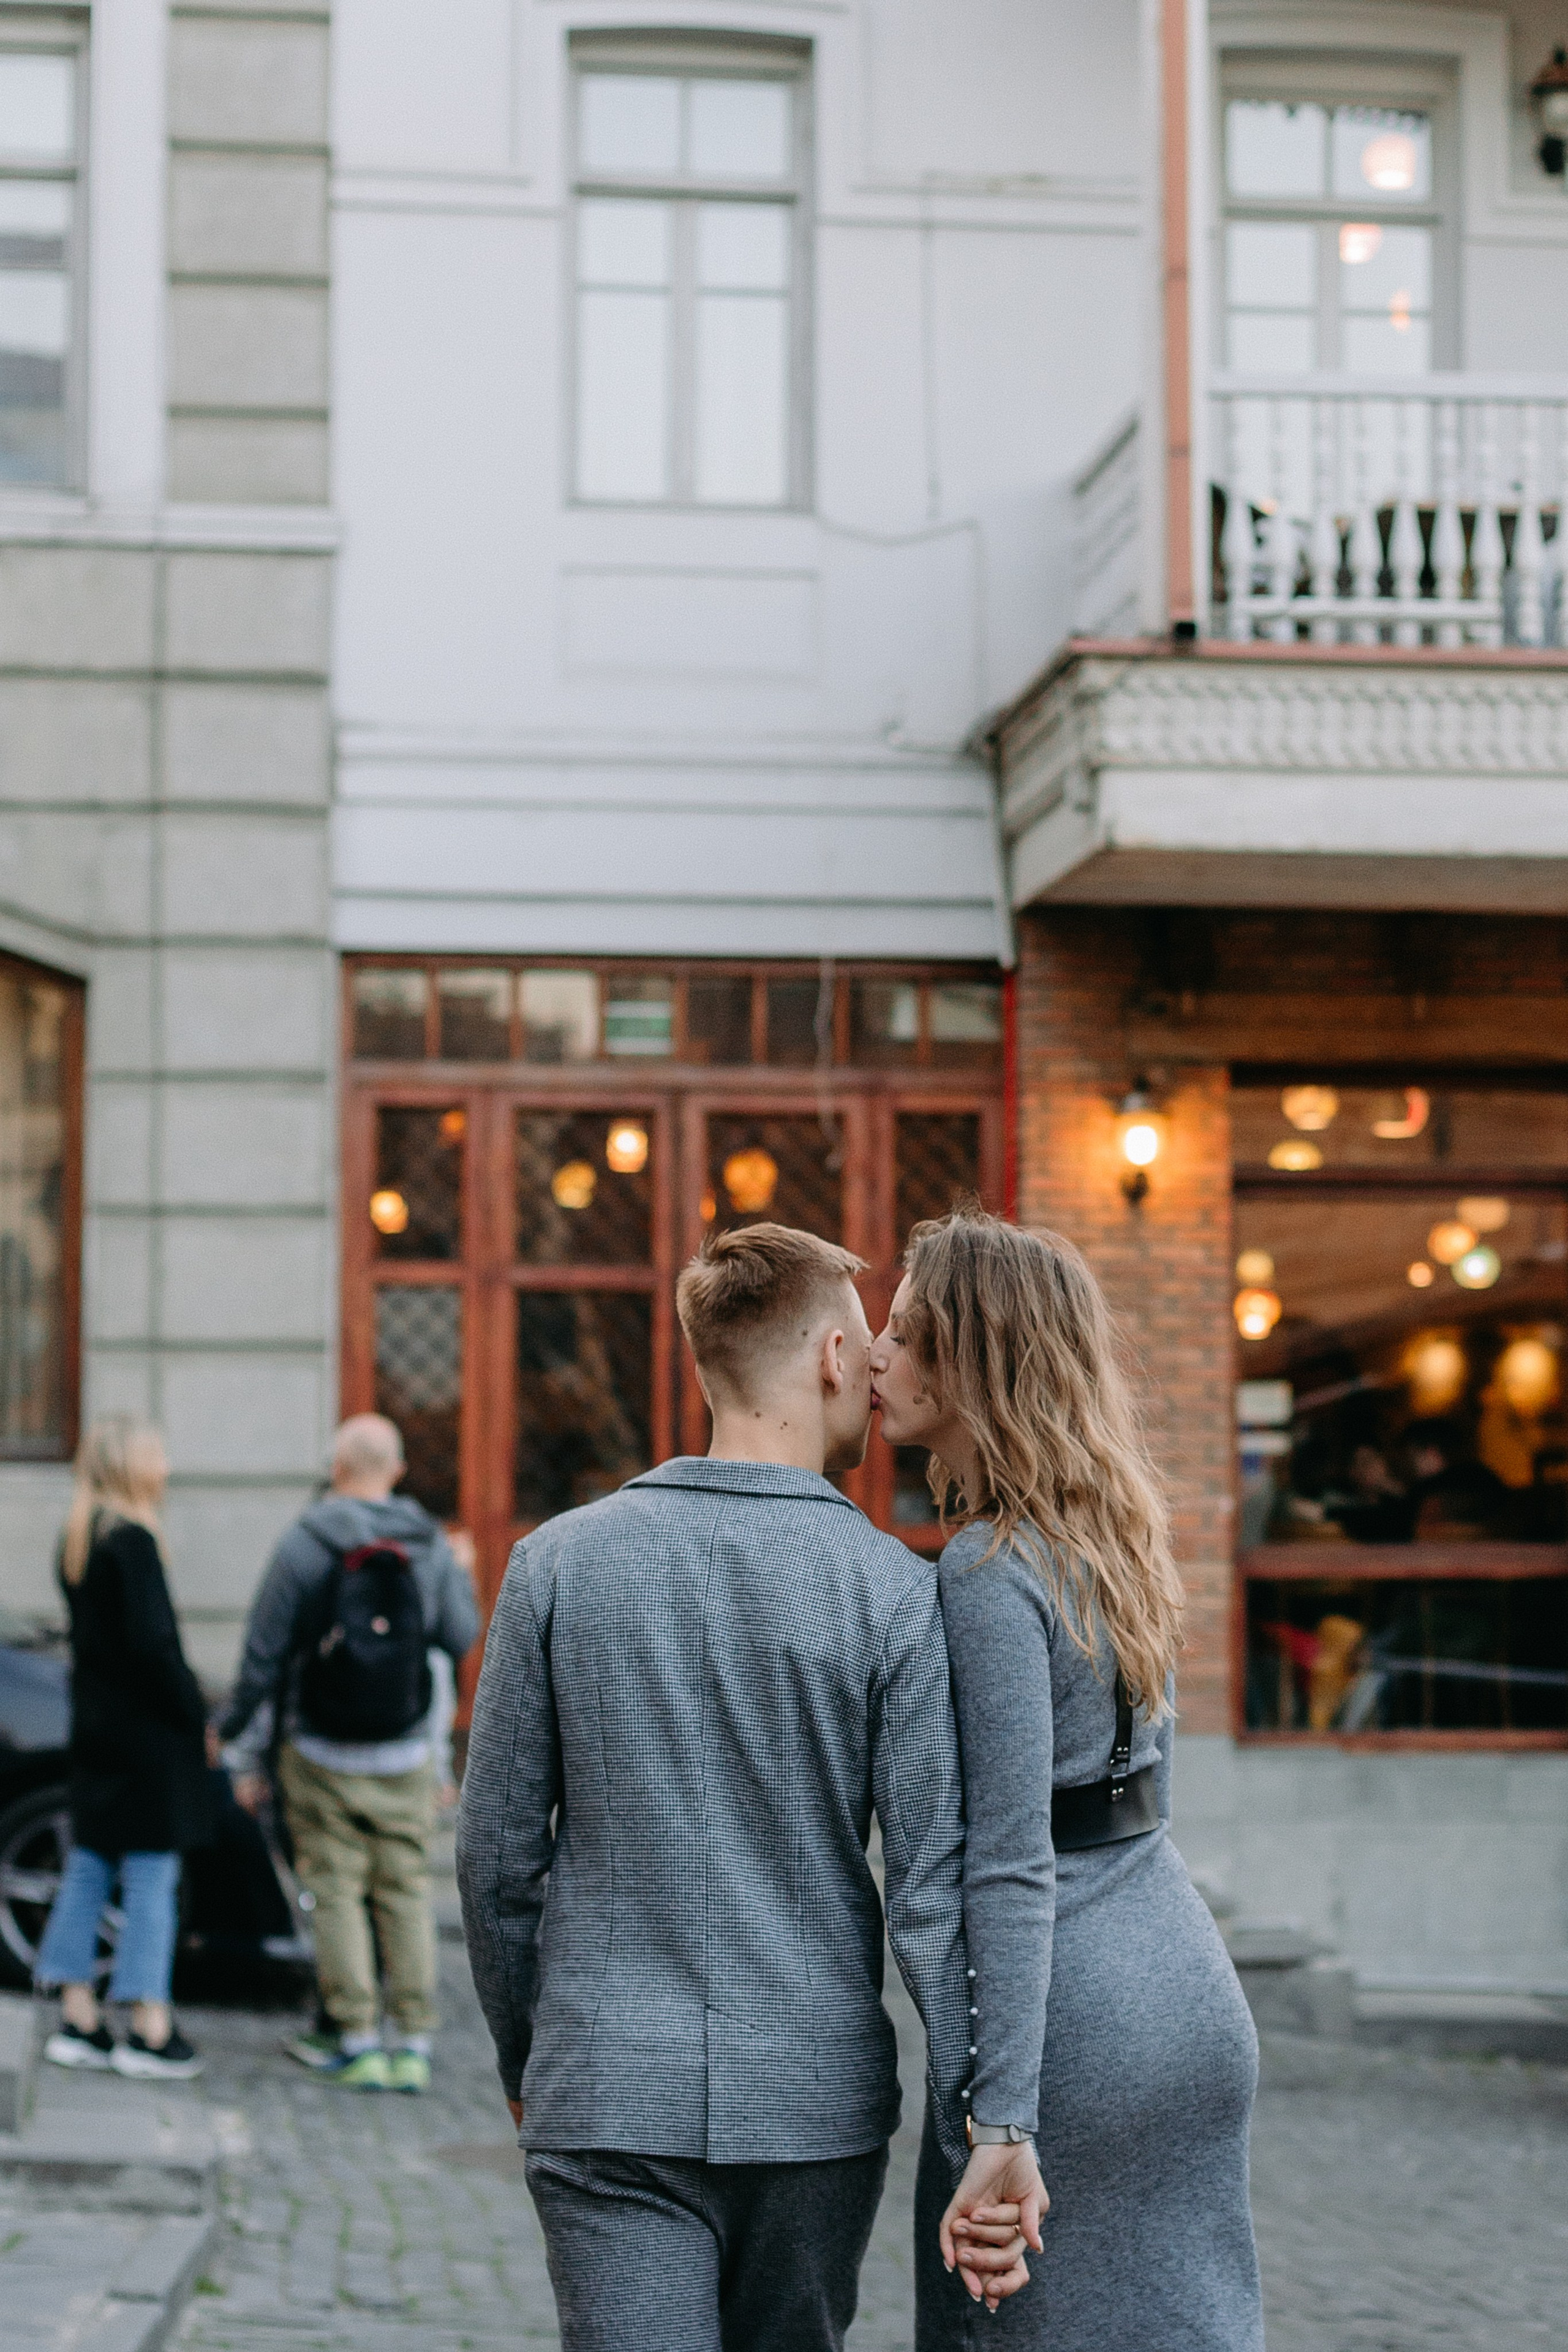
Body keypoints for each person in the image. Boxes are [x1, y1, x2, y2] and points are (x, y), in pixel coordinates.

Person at [459, 1223, 1043, 2352]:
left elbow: (495, 1861)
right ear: (830, 1356)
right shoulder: (893, 1591)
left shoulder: (556, 1563)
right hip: (812, 2105)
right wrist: (985, 2120)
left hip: (607, 2090)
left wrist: (529, 2058)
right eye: (867, 1347)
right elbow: (930, 1891)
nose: (877, 1374)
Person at [869, 1208, 1265, 2351]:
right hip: (1188, 1993)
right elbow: (1145, 1801)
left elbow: (1009, 1859)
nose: (875, 1355)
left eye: (904, 1334)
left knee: (1004, 2326)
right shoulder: (1117, 1537)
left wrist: (1001, 2117)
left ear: (973, 1361)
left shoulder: (988, 1569)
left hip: (1075, 2032)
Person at [220, 1413, 479, 2092]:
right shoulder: (427, 1544)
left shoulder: (306, 1542)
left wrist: (233, 1734)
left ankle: (358, 2038)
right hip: (405, 1751)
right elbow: (461, 1635)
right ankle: (413, 2043)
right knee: (405, 1891)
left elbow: (264, 1654)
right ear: (397, 1471)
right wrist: (461, 1575)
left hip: (320, 1748)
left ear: (336, 1469)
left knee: (333, 1890)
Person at [36, 1416, 214, 2080]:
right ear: (133, 1466)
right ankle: (148, 2024)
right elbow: (155, 1650)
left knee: (88, 1868)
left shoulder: (80, 1538)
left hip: (97, 1732)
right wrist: (196, 1712)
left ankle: (77, 2014)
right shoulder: (133, 1541)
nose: (166, 1467)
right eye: (157, 1456)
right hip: (147, 1743)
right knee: (151, 1879)